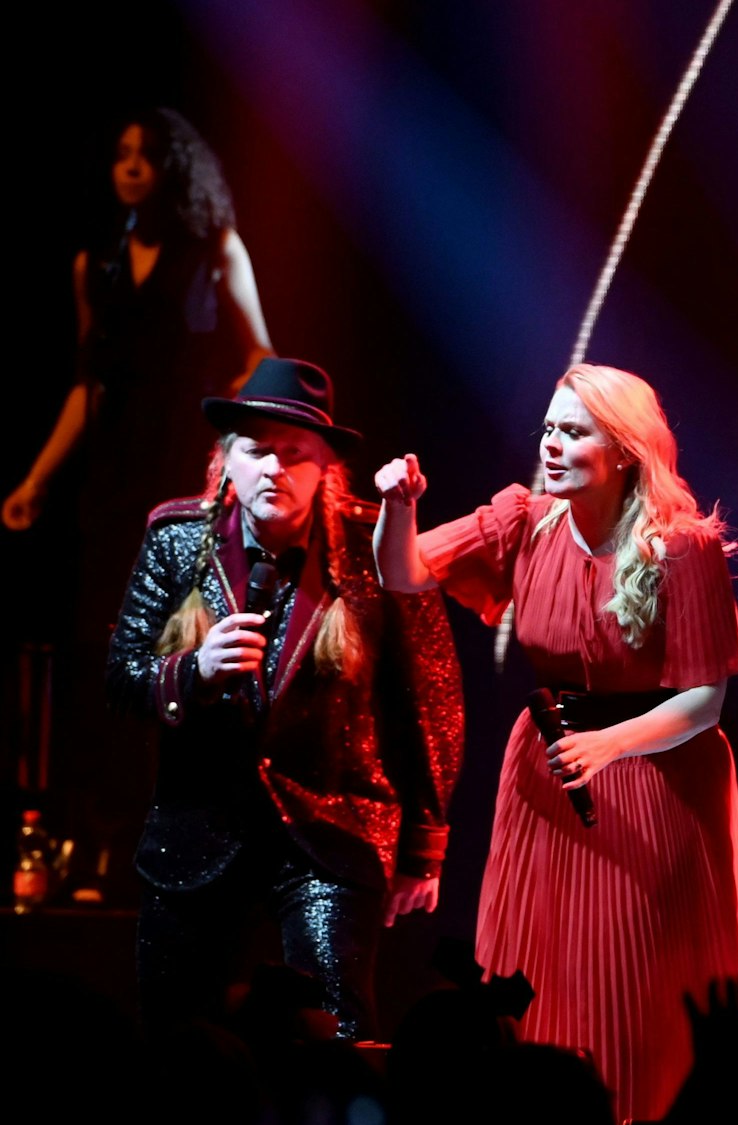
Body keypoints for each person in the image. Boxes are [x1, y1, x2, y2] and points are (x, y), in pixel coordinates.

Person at [372, 363, 738, 1121]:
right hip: (547, 772)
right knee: (540, 970)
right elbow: (404, 571)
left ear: (622, 450)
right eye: (548, 426)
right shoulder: (526, 519)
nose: (550, 443)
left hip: (659, 784)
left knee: (636, 980)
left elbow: (707, 701)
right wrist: (397, 508)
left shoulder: (682, 547)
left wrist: (610, 745)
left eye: (573, 431)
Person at [105, 357, 462, 1039]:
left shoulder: (369, 543)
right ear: (226, 461)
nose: (274, 468)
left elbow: (428, 691)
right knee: (178, 1037)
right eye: (256, 450)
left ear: (325, 463)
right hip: (198, 831)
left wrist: (426, 842)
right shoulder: (177, 539)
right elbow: (121, 676)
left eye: (294, 454)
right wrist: (192, 671)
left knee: (338, 1034)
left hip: (331, 828)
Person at [8, 107, 273, 534]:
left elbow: (259, 350)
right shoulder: (94, 266)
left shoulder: (215, 249)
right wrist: (36, 479)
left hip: (189, 450)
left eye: (146, 155)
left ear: (173, 166)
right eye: (123, 155)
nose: (131, 168)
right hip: (116, 462)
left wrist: (241, 393)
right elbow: (88, 383)